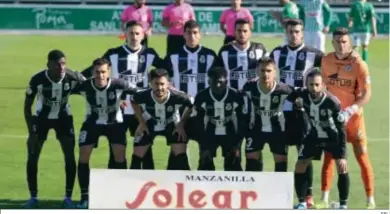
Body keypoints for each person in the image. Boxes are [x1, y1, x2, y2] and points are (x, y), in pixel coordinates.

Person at [82, 20, 162, 171]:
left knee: (145, 149)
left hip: (141, 109)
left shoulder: (149, 54)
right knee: (116, 151)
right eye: (131, 33)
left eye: (137, 33)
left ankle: (146, 185)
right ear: (125, 34)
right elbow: (94, 68)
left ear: (143, 35)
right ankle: (116, 185)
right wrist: (76, 77)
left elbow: (165, 70)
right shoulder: (114, 53)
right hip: (118, 108)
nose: (134, 36)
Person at [269, 18, 323, 208]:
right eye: (291, 31)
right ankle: (281, 197)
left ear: (303, 33)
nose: (294, 35)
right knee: (280, 157)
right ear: (286, 32)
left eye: (297, 32)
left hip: (304, 114)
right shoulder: (276, 53)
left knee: (305, 156)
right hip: (280, 112)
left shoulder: (314, 55)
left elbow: (333, 68)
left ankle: (308, 197)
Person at [319, 27, 375, 209]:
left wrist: (351, 110)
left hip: (353, 119)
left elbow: (367, 94)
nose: (341, 45)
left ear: (349, 42)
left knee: (362, 157)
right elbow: (323, 87)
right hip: (333, 120)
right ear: (332, 42)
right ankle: (324, 199)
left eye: (344, 42)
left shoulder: (359, 63)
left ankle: (370, 200)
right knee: (328, 158)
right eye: (338, 42)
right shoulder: (326, 61)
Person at [74, 58, 141, 208]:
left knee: (120, 155)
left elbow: (140, 91)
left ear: (109, 72)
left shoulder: (119, 84)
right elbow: (65, 87)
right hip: (92, 123)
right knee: (83, 155)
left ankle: (120, 194)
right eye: (97, 72)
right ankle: (85, 196)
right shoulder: (84, 86)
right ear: (92, 72)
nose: (100, 76)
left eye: (103, 72)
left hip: (114, 123)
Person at [24, 50, 85, 208]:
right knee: (33, 155)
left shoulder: (72, 77)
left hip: (63, 118)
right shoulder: (37, 79)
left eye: (64, 63)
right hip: (41, 118)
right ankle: (33, 197)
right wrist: (31, 132)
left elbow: (91, 89)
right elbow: (27, 106)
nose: (61, 67)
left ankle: (68, 197)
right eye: (58, 64)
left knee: (70, 156)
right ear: (49, 65)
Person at [290, 69, 349, 209]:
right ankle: (302, 202)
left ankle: (343, 205)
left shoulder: (332, 102)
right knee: (300, 164)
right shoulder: (302, 95)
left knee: (341, 167)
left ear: (323, 85)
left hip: (332, 138)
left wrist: (342, 155)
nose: (314, 88)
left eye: (317, 85)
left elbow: (341, 130)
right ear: (306, 84)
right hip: (314, 136)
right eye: (311, 85)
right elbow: (289, 92)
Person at [164, 20, 217, 168]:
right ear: (183, 35)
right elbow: (162, 78)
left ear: (200, 35)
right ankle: (178, 188)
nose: (192, 36)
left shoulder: (210, 56)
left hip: (203, 112)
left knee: (206, 155)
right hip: (179, 112)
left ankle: (205, 188)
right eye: (189, 33)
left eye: (195, 33)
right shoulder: (173, 56)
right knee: (177, 154)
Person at [130, 68, 193, 170]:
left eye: (162, 84)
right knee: (137, 156)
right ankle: (133, 183)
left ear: (168, 83)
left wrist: (181, 124)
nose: (159, 87)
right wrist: (141, 122)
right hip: (150, 122)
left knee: (181, 156)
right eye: (156, 84)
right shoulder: (142, 95)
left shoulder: (177, 96)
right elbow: (133, 101)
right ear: (150, 83)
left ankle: (183, 183)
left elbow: (191, 104)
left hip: (171, 123)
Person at [242, 57, 293, 172]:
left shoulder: (284, 90)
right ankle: (253, 189)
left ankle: (279, 190)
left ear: (275, 72)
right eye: (262, 70)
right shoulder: (249, 87)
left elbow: (301, 98)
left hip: (278, 130)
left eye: (269, 71)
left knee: (281, 164)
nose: (265, 74)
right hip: (256, 129)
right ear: (257, 71)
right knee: (251, 162)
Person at [194, 67, 246, 171]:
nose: (217, 85)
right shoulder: (201, 96)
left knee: (233, 163)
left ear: (226, 81)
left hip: (230, 131)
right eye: (214, 82)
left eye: (220, 82)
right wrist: (203, 145)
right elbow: (198, 122)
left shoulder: (236, 95)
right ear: (208, 81)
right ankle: (204, 187)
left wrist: (237, 143)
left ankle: (234, 187)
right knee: (205, 162)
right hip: (209, 132)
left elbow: (241, 121)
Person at [217, 18, 268, 90]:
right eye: (239, 31)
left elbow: (269, 69)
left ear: (250, 32)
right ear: (234, 32)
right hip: (233, 96)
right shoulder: (225, 51)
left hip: (254, 96)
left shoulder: (259, 49)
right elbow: (218, 75)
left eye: (245, 31)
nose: (242, 34)